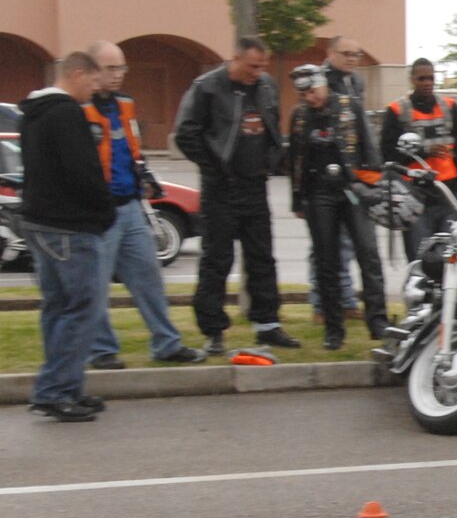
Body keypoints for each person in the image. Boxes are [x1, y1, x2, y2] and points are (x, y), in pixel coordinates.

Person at [80, 40, 204, 369]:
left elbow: (133, 150)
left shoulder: (125, 106)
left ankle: (166, 343)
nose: (118, 75)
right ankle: (102, 350)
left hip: (131, 206)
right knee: (96, 284)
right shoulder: (78, 110)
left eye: (121, 68)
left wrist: (145, 176)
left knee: (148, 277)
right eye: (111, 68)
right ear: (92, 71)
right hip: (99, 212)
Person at [173, 36, 297, 353]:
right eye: (253, 66)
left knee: (262, 257)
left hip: (255, 185)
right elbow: (187, 134)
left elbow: (272, 126)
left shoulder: (265, 86)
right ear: (236, 59)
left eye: (263, 66)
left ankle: (268, 325)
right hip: (221, 189)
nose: (259, 72)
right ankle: (213, 330)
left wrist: (271, 161)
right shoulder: (207, 87)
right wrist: (216, 168)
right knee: (217, 260)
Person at [20, 52, 115, 420]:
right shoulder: (66, 114)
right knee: (81, 309)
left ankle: (66, 385)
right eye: (93, 80)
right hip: (71, 225)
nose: (96, 87)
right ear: (76, 74)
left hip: (40, 221)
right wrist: (103, 211)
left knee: (57, 307)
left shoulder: (33, 113)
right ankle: (56, 389)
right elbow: (83, 171)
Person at [284, 66, 389, 350]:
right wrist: (296, 199)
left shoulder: (349, 106)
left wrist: (375, 185)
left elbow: (369, 147)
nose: (309, 97)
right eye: (303, 93)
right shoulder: (300, 116)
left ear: (324, 86)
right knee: (326, 261)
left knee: (368, 254)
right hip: (318, 195)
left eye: (312, 91)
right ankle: (333, 328)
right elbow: (294, 159)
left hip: (353, 189)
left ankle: (378, 322)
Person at [377, 59, 457, 259]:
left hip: (448, 192)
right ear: (412, 80)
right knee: (420, 257)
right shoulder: (396, 111)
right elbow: (387, 155)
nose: (427, 82)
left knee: (454, 255)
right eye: (422, 78)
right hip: (414, 195)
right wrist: (423, 151)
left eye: (430, 78)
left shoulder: (450, 107)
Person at [309, 34, 370, 322]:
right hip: (323, 172)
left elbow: (360, 126)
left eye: (356, 55)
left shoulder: (355, 82)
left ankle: (345, 300)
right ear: (330, 52)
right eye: (346, 53)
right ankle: (322, 303)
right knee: (323, 245)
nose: (351, 59)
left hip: (352, 170)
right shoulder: (318, 80)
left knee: (348, 242)